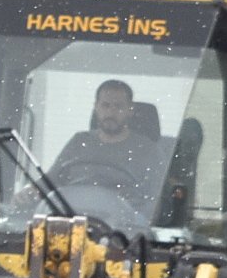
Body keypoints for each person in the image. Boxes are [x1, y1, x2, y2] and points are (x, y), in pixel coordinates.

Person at [48, 78, 169, 214]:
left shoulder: (149, 151)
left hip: (123, 229)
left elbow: (157, 201)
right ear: (96, 107)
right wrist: (29, 192)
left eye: (118, 107)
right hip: (73, 220)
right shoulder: (79, 141)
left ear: (130, 110)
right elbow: (50, 180)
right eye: (105, 105)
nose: (111, 113)